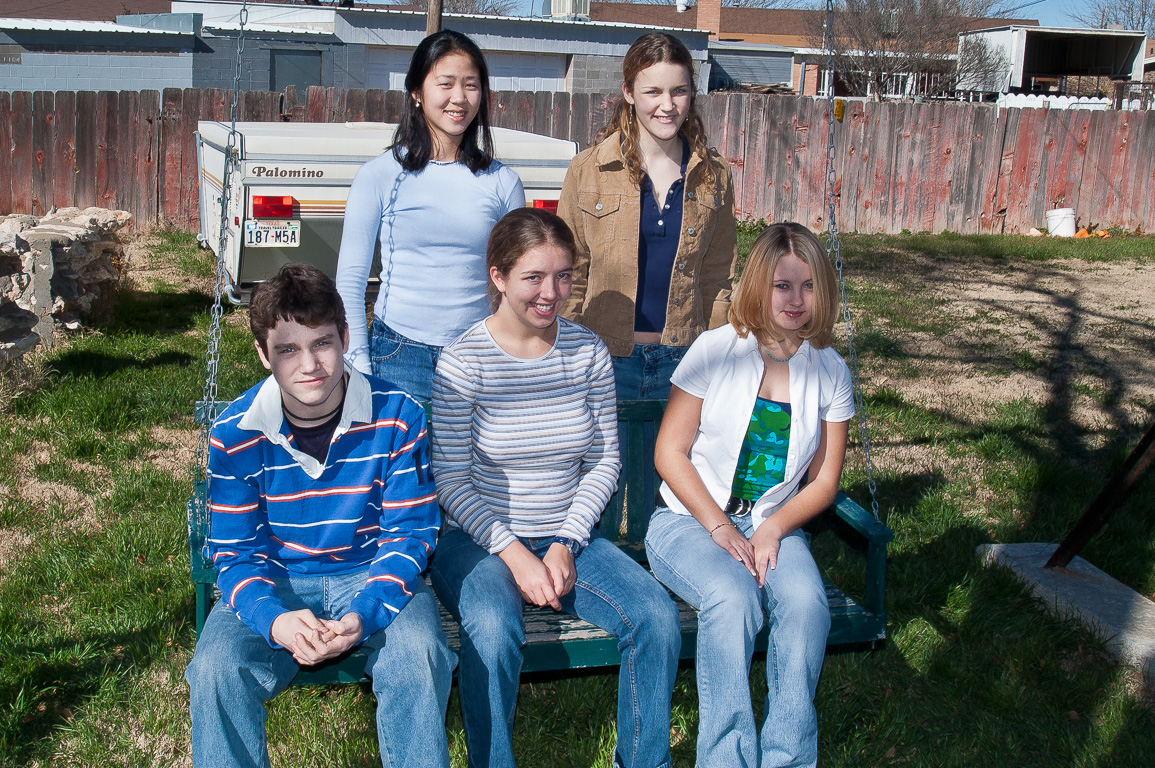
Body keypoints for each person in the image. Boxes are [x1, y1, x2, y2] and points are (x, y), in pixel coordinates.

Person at [428, 208, 681, 768]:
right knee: (492, 631)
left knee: (655, 618)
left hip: (567, 537)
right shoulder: (463, 361)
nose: (551, 293)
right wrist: (515, 554)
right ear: (497, 277)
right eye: (534, 277)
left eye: (563, 276)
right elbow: (450, 478)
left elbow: (603, 461)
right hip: (479, 542)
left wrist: (566, 541)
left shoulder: (586, 353)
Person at [185, 264, 455, 768]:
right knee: (216, 668)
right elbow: (235, 553)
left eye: (323, 343)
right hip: (276, 577)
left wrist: (367, 611)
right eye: (287, 349)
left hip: (371, 572)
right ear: (264, 354)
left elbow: (411, 533)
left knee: (419, 653)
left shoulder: (397, 415)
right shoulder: (235, 433)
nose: (309, 364)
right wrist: (276, 621)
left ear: (346, 338)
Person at [644, 223, 853, 768]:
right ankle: (726, 758)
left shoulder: (830, 370)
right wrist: (719, 525)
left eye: (807, 286)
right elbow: (669, 453)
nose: (796, 300)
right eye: (783, 285)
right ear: (759, 285)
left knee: (808, 607)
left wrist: (773, 529)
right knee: (733, 600)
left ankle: (786, 757)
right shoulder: (715, 351)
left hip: (772, 525)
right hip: (688, 522)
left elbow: (825, 481)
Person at [336, 29, 526, 400]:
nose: (459, 98)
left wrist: (513, 354)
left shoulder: (503, 182)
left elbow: (517, 282)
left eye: (471, 85)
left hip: (479, 356)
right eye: (446, 84)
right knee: (403, 460)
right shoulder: (379, 175)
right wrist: (358, 366)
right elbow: (350, 283)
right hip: (397, 355)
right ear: (417, 92)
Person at [558, 32, 738, 400]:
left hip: (686, 363)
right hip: (603, 360)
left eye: (679, 91)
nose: (667, 105)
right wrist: (567, 352)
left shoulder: (714, 174)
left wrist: (718, 356)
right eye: (653, 91)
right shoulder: (588, 170)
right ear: (628, 92)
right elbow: (571, 271)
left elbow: (719, 277)